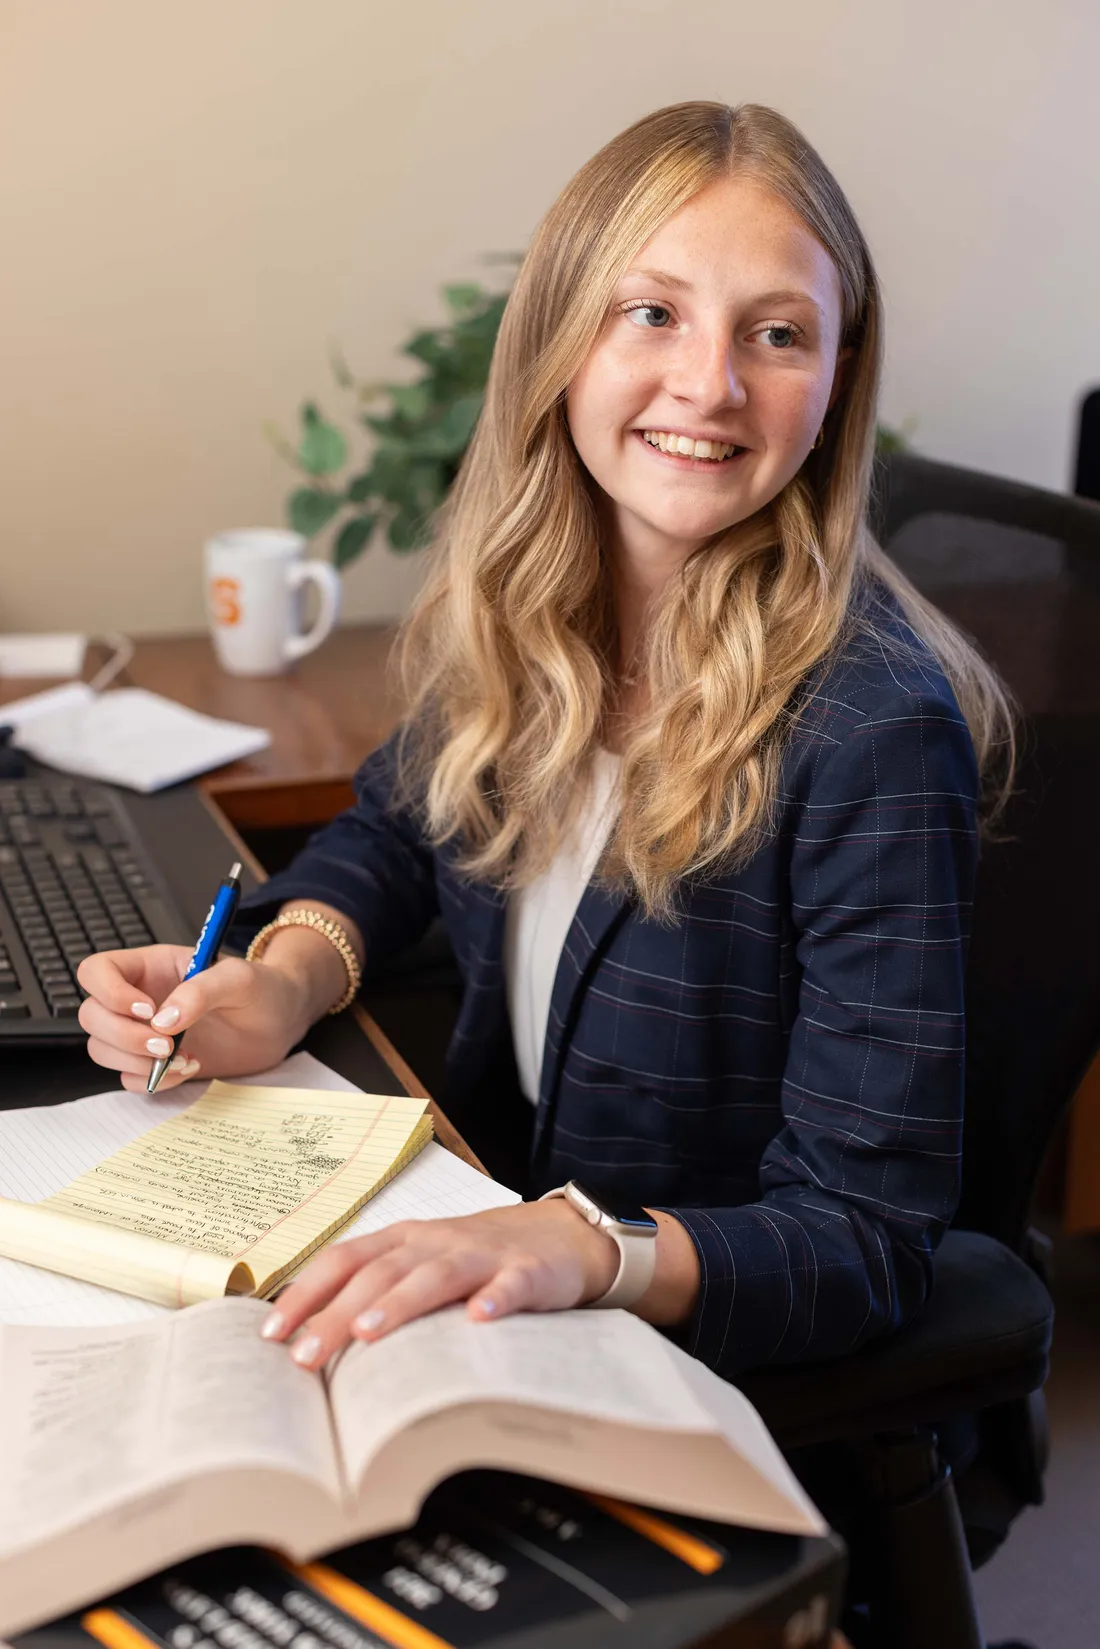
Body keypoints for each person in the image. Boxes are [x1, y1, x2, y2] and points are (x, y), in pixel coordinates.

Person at [76, 101, 1014, 1382]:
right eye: (653, 312)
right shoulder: (535, 605)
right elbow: (399, 831)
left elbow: (864, 1237)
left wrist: (581, 1246)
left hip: (677, 1347)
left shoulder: (872, 730)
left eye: (777, 333)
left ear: (838, 376)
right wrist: (281, 977)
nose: (709, 382)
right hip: (469, 1231)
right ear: (561, 339)